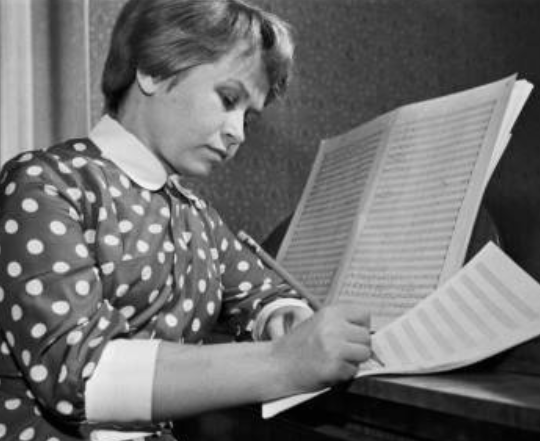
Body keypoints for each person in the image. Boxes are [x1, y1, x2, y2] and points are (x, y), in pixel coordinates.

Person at [0, 0, 372, 439]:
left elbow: (262, 290)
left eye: (249, 117)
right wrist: (283, 362)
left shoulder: (196, 215)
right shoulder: (45, 183)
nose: (238, 132)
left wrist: (280, 314)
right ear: (153, 71)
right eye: (228, 99)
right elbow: (82, 375)